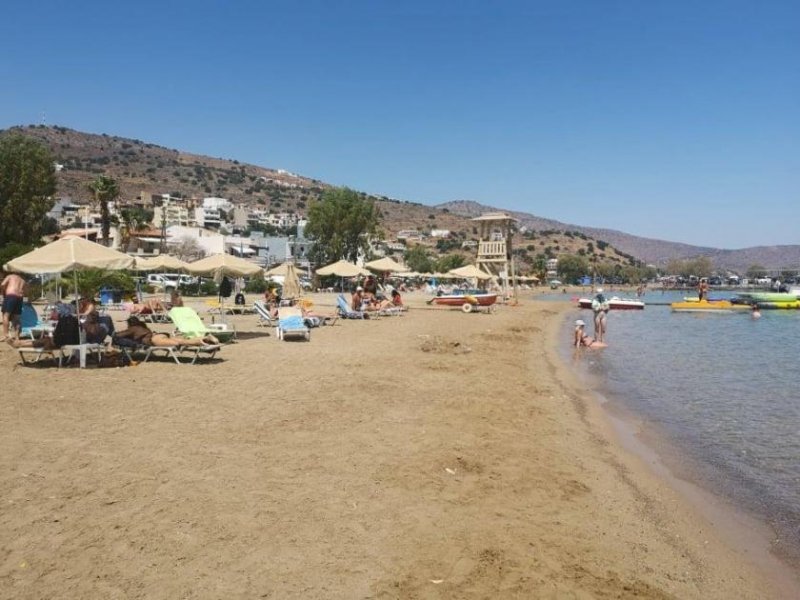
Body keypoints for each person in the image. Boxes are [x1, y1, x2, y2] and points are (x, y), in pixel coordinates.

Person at [114, 316, 219, 347]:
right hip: (160, 335)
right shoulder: (143, 326)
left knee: (181, 342)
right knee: (183, 340)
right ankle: (205, 338)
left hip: (154, 340)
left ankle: (203, 341)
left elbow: (118, 335)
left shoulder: (133, 328)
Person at [1, 271, 27, 341]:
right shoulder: (23, 280)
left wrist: (4, 292)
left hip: (11, 296)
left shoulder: (10, 276)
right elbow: (24, 292)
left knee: (5, 315)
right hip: (19, 298)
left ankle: (6, 335)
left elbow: (3, 284)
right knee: (16, 318)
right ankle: (17, 337)